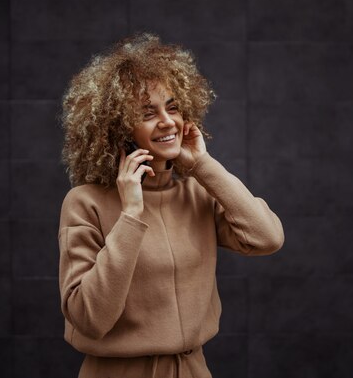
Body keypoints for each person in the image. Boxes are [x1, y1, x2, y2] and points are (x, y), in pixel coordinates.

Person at [57, 33, 284, 378]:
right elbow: (90, 318)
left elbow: (267, 238)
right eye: (148, 113)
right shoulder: (84, 203)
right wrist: (131, 214)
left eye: (173, 107)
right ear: (119, 129)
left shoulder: (197, 194)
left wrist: (202, 166)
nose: (167, 121)